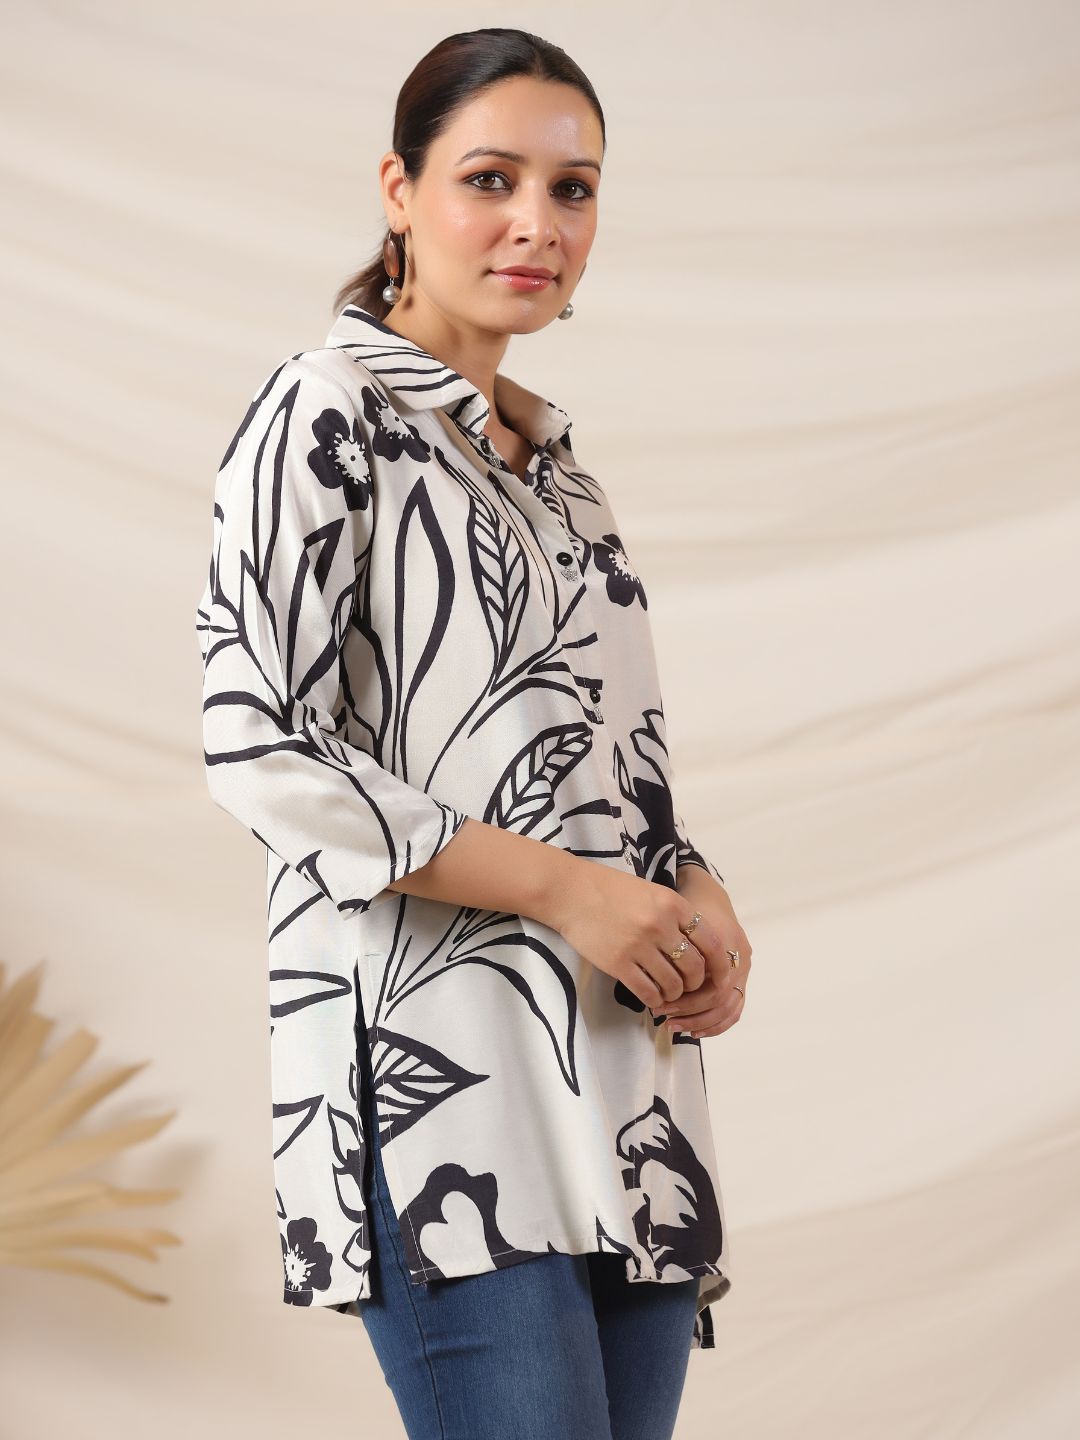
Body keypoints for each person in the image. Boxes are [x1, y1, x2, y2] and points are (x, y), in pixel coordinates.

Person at [195, 25, 752, 1440]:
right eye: (490, 179)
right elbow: (260, 744)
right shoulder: (324, 412)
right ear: (400, 190)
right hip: (438, 1083)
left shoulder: (564, 477)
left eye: (574, 189)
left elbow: (614, 764)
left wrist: (695, 894)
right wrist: (570, 892)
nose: (536, 224)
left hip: (621, 1079)